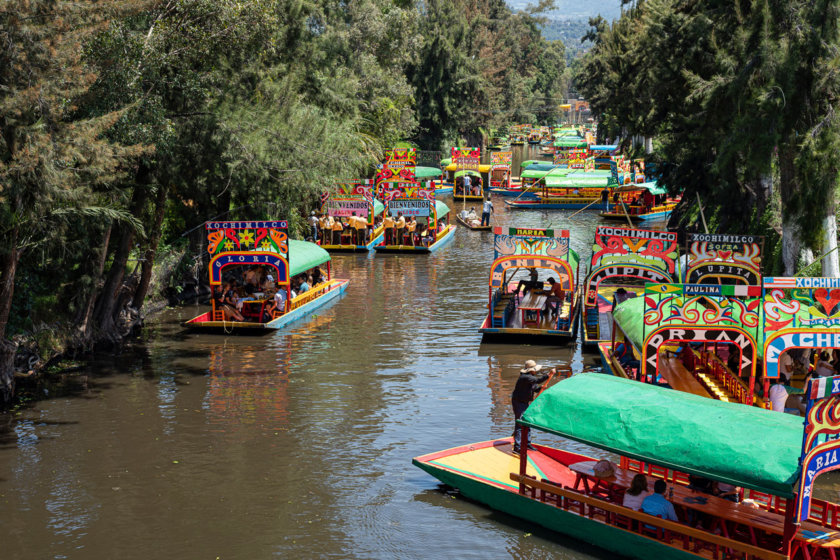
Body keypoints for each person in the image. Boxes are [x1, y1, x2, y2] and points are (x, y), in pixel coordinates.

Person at [511, 360, 552, 454]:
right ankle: (517, 447)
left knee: (527, 422)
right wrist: (548, 374)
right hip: (518, 402)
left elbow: (534, 388)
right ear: (531, 370)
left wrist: (541, 388)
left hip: (525, 402)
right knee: (520, 424)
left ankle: (527, 443)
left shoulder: (530, 378)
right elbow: (538, 380)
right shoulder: (525, 377)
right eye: (535, 370)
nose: (536, 371)